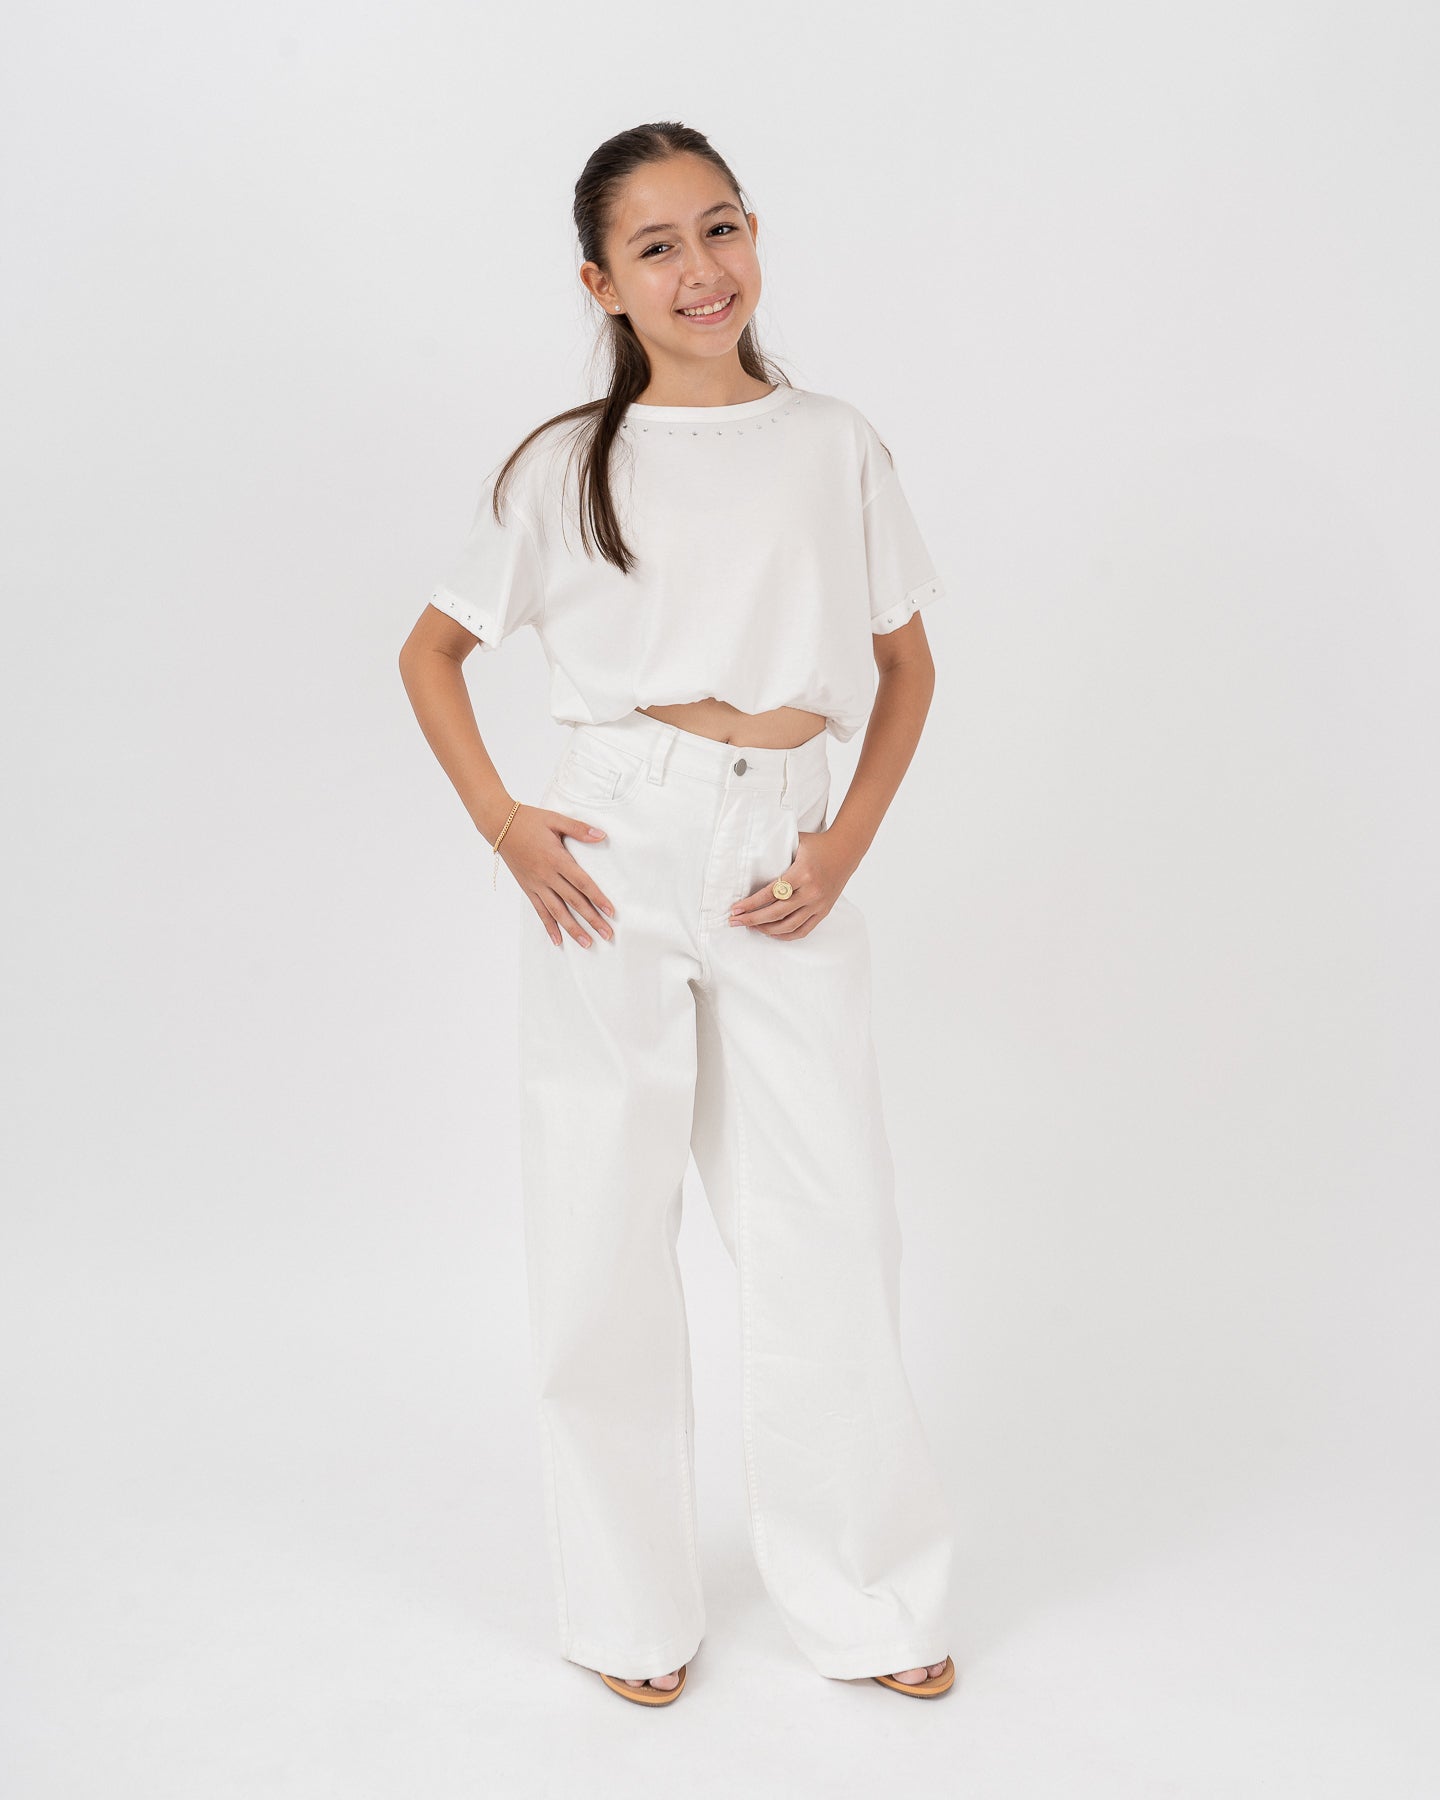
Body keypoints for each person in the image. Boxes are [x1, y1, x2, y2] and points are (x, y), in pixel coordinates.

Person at [399, 122, 957, 1706]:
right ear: (601, 283)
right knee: (601, 1225)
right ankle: (628, 1611)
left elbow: (906, 666)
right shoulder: (563, 463)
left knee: (829, 1222)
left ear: (755, 236)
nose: (701, 269)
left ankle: (867, 1594)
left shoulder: (834, 442)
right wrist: (508, 823)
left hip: (784, 850)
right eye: (656, 247)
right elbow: (431, 652)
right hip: (616, 846)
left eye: (722, 228)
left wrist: (842, 847)